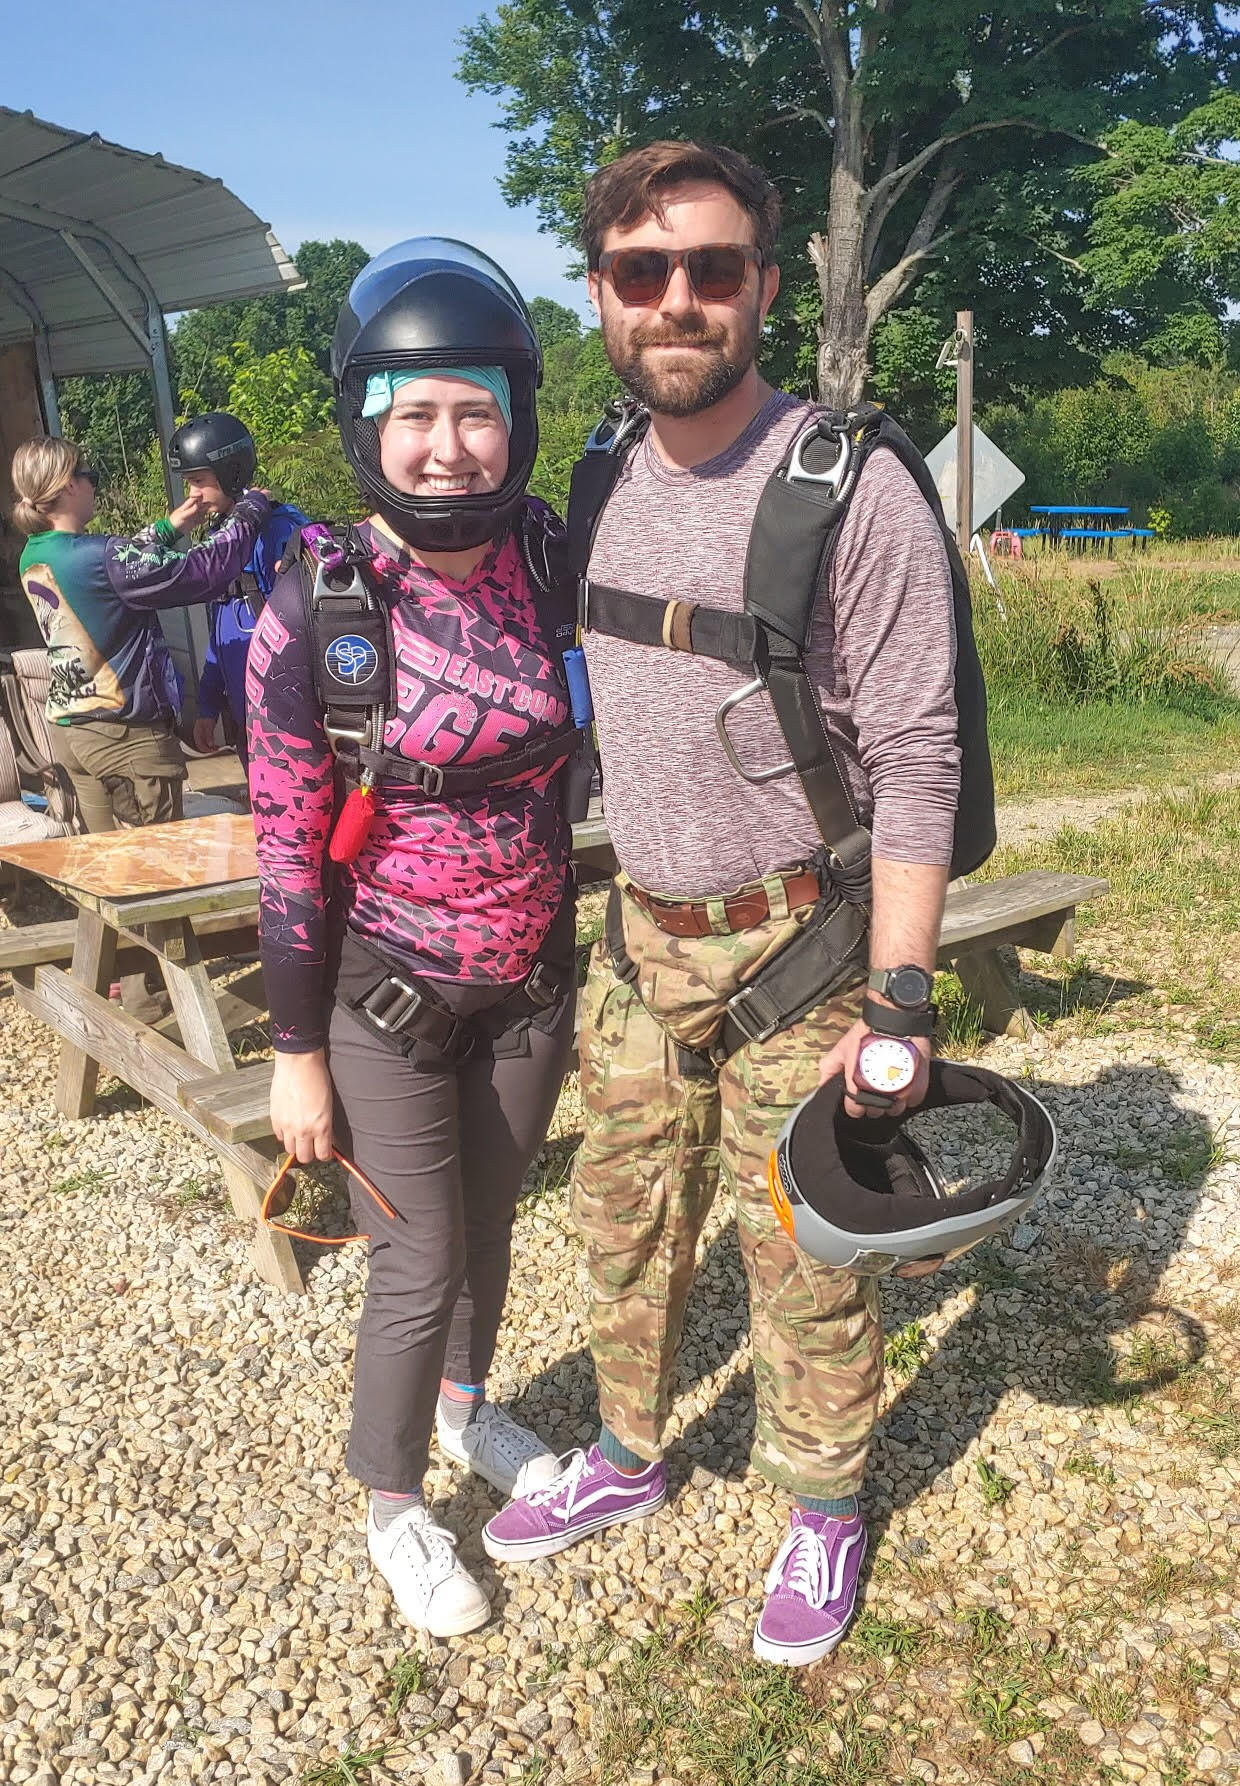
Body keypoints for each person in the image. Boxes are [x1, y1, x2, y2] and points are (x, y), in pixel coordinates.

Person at [483, 142, 967, 1667]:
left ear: (765, 283)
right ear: (602, 296)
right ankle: (629, 1451)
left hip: (800, 943)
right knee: (622, 1221)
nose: (677, 297)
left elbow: (917, 751)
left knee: (805, 1243)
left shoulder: (852, 483)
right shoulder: (600, 473)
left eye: (710, 267)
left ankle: (823, 1501)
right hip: (641, 936)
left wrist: (896, 996)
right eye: (643, 271)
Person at [246, 240, 586, 1639]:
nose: (446, 448)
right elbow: (283, 854)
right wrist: (291, 1056)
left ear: (513, 413)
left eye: (473, 410)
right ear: (365, 426)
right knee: (418, 1254)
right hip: (379, 995)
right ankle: (394, 1503)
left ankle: (462, 1408)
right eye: (413, 415)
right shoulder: (313, 616)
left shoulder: (554, 561)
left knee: (492, 1230)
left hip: (531, 981)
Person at [10, 435, 272, 831]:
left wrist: (170, 527)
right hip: (126, 739)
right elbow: (204, 571)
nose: (94, 484)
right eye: (90, 476)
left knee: (107, 867)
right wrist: (251, 510)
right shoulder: (100, 558)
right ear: (67, 485)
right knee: (160, 865)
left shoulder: (36, 551)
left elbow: (114, 565)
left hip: (73, 734)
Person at [167, 414, 308, 769]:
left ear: (231, 472)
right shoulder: (225, 541)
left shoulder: (278, 533)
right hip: (245, 715)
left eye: (198, 481)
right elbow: (221, 630)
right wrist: (208, 705)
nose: (192, 495)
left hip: (285, 714)